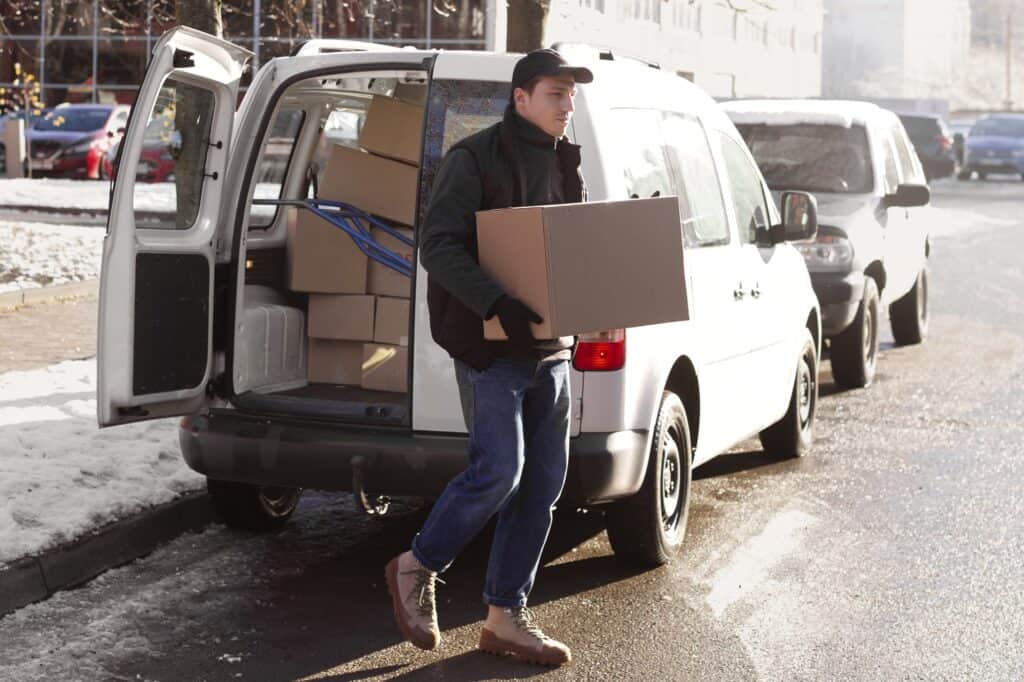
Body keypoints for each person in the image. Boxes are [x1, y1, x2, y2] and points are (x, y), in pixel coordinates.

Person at [384, 49, 593, 667]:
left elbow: (572, 249)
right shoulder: (472, 159)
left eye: (571, 97)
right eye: (556, 94)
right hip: (490, 348)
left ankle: (505, 616)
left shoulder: (564, 164)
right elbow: (438, 245)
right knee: (499, 471)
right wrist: (493, 302)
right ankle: (415, 565)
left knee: (543, 486)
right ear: (521, 97)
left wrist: (597, 300)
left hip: (550, 351)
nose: (567, 106)